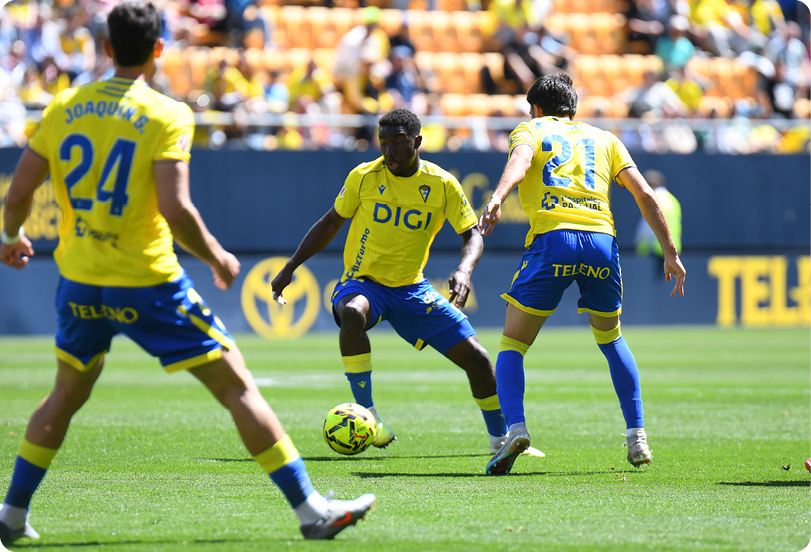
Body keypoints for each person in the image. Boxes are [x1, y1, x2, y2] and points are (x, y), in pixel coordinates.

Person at [0, 2, 374, 545]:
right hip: (148, 282)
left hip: (79, 281)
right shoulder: (166, 113)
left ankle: (10, 514)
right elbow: (175, 210)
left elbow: (17, 193)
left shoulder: (64, 107)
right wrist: (218, 257)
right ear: (158, 50)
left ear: (106, 48)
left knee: (64, 393)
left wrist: (10, 239)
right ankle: (311, 510)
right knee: (238, 386)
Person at [271, 108, 543, 458]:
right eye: (383, 144)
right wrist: (292, 265)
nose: (389, 152)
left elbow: (471, 234)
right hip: (363, 282)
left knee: (477, 358)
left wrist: (464, 271)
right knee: (353, 313)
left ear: (417, 142)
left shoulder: (442, 183)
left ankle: (499, 438)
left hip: (412, 289)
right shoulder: (364, 177)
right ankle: (369, 414)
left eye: (398, 143)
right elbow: (329, 223)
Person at [479, 73, 686, 476]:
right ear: (572, 110)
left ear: (535, 109)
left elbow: (520, 162)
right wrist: (671, 252)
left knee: (511, 345)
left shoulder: (530, 129)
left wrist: (497, 198)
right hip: (601, 242)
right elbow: (645, 193)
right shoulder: (605, 138)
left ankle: (516, 429)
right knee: (611, 339)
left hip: (553, 239)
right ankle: (637, 435)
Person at [634, 169, 682, 264]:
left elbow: (647, 228)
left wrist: (640, 248)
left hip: (655, 252)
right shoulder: (673, 200)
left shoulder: (653, 200)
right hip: (673, 251)